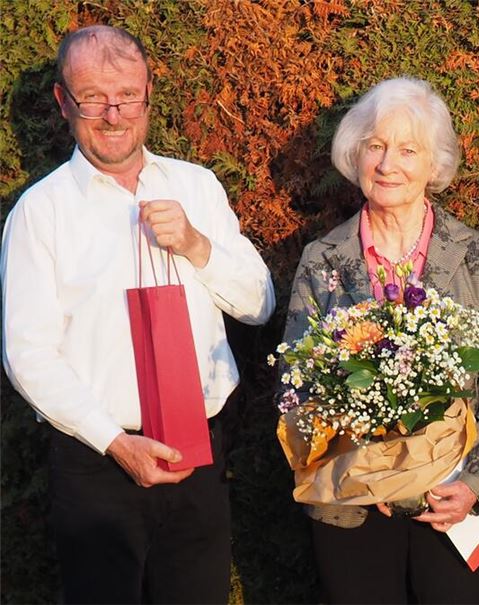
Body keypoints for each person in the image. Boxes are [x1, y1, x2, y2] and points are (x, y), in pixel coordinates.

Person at [1, 25, 275, 603]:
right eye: (92, 97)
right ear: (62, 102)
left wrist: (199, 245)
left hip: (198, 451)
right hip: (98, 463)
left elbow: (259, 305)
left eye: (126, 94)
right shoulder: (40, 213)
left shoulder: (197, 187)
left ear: (149, 92)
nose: (113, 113)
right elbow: (27, 354)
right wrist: (115, 443)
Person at [281, 76, 479, 604]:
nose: (389, 163)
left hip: (450, 503)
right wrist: (370, 469)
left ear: (433, 166)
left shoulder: (475, 255)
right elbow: (294, 390)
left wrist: (475, 485)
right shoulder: (322, 259)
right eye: (376, 146)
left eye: (408, 149)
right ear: (356, 155)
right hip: (351, 505)